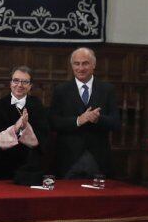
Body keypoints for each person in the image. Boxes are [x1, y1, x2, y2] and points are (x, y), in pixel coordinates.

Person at [49, 47, 121, 178]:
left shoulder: (107, 89)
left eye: (85, 63)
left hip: (98, 159)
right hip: (68, 159)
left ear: (93, 64)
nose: (81, 68)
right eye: (77, 64)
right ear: (72, 66)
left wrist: (98, 119)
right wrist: (78, 120)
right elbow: (53, 122)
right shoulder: (61, 90)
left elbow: (116, 123)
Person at [0, 66, 48, 180]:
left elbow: (44, 134)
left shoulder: (37, 106)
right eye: (16, 80)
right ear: (10, 83)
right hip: (2, 164)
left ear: (30, 86)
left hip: (29, 166)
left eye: (25, 82)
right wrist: (14, 129)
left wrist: (25, 129)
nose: (20, 85)